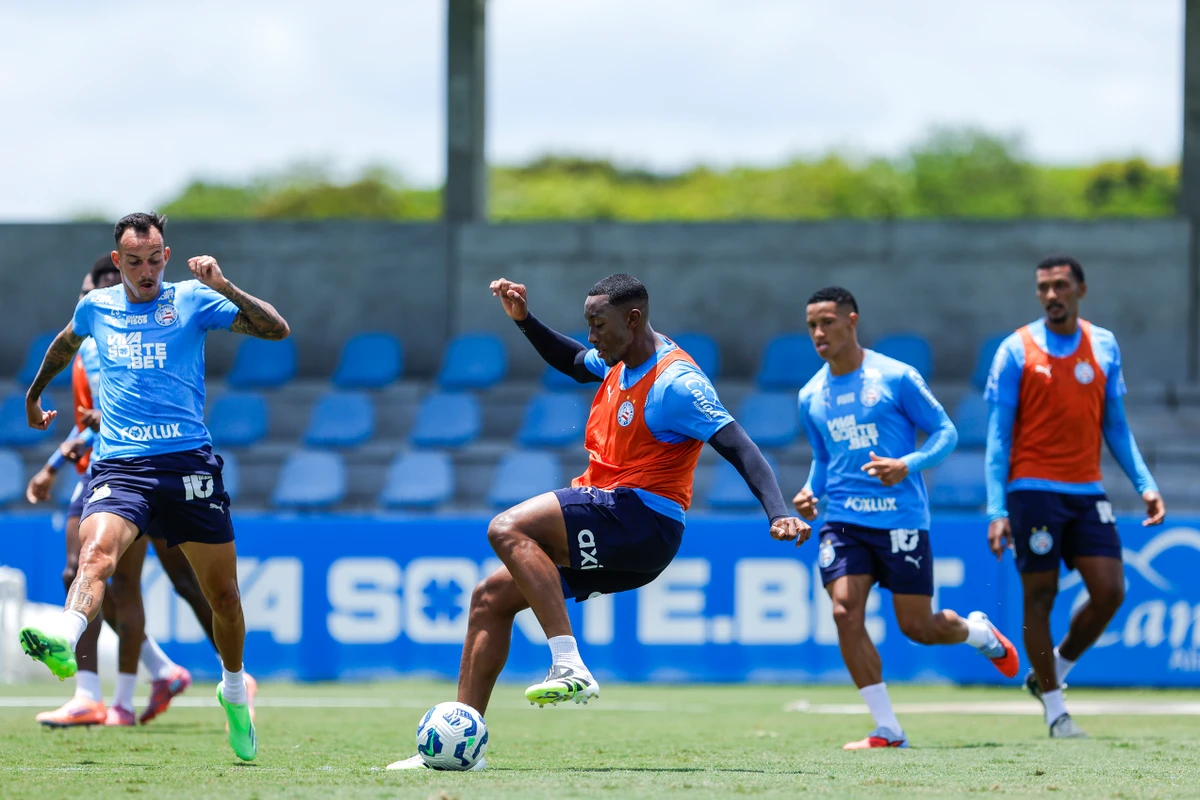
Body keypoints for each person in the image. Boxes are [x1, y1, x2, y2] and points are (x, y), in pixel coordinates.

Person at [387, 274, 810, 771]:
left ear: (633, 320)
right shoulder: (617, 359)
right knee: (490, 599)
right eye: (588, 324)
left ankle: (568, 663)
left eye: (598, 325)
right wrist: (524, 321)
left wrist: (778, 512)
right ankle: (461, 750)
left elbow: (738, 445)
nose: (592, 336)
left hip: (641, 520)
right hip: (623, 534)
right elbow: (571, 361)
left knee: (507, 528)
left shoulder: (676, 383)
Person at [20, 212, 288, 761]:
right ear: (117, 263)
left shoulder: (192, 299)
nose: (147, 270)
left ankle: (234, 689)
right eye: (135, 262)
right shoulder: (96, 307)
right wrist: (34, 394)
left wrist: (226, 287)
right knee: (94, 558)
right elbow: (65, 342)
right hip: (122, 467)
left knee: (223, 598)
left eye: (155, 259)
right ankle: (67, 641)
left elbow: (275, 329)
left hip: (188, 465)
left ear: (167, 255)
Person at [793, 286, 1019, 751]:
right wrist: (809, 491)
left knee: (919, 628)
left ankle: (977, 631)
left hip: (900, 520)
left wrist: (907, 465)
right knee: (843, 610)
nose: (819, 332)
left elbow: (946, 432)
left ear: (852, 321)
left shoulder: (895, 377)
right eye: (813, 324)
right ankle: (888, 729)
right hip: (844, 520)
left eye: (828, 322)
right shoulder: (810, 394)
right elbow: (822, 456)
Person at [984, 255, 1164, 739]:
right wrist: (997, 509)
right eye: (1043, 287)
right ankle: (1056, 712)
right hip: (1032, 492)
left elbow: (1117, 427)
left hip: (1087, 491)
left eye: (1060, 285)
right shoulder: (1015, 350)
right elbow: (998, 438)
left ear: (1081, 290)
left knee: (1111, 590)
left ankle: (1052, 672)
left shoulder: (1103, 345)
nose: (1050, 295)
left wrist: (1145, 483)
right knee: (1038, 598)